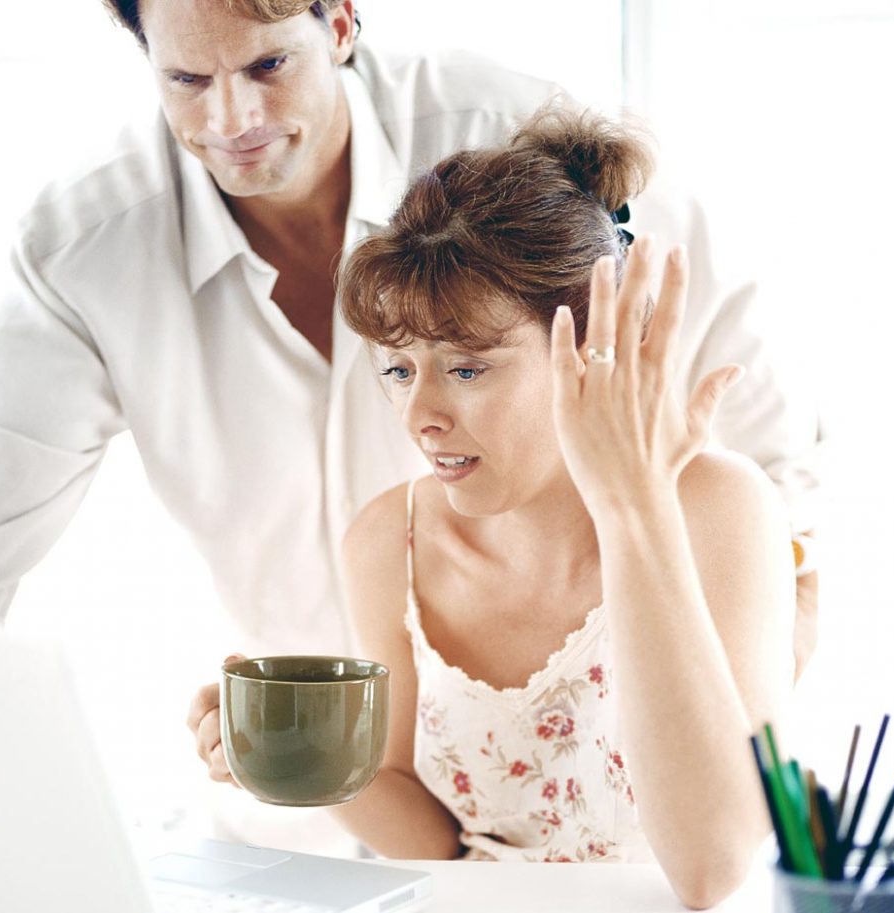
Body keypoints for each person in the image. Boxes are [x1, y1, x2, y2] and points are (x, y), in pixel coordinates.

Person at [0, 0, 814, 792]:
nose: (233, 118)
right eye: (186, 79)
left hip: (599, 778)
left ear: (338, 21)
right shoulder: (84, 251)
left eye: (267, 65)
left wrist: (744, 704)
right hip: (312, 791)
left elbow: (761, 441)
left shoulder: (507, 141)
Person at [324, 109, 794, 907]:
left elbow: (711, 867)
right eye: (399, 370)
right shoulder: (386, 542)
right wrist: (301, 761)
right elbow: (439, 844)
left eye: (466, 368)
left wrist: (632, 507)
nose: (419, 416)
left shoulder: (719, 509)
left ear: (588, 348)